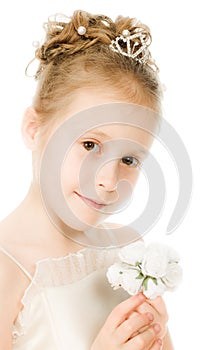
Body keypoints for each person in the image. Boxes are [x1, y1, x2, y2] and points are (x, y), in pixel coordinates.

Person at [0, 9, 174, 350]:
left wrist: (157, 337)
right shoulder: (8, 268)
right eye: (90, 144)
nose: (109, 180)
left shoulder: (127, 247)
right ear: (34, 129)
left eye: (129, 159)